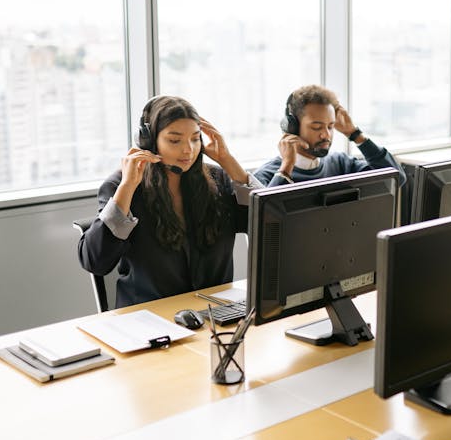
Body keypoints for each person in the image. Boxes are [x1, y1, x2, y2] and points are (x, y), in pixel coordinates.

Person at [78, 96, 262, 307]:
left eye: (195, 138)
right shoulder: (122, 186)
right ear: (149, 141)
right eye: (175, 140)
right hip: (150, 318)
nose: (188, 150)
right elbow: (95, 262)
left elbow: (266, 227)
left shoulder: (218, 180)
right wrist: (127, 188)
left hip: (213, 314)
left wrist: (228, 161)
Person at [253, 85, 406, 187]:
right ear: (293, 127)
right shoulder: (266, 175)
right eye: (317, 127)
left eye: (331, 126)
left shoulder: (341, 164)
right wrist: (286, 167)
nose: (326, 134)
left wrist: (355, 134)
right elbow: (267, 221)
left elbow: (396, 180)